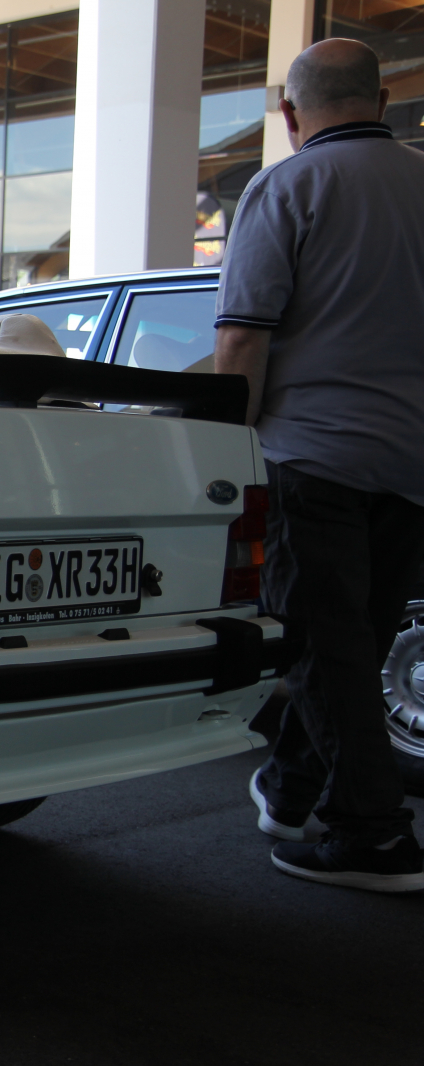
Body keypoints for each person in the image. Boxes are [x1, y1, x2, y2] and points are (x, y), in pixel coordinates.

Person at [215, 38, 424, 892]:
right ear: (382, 101)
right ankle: (292, 788)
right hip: (411, 464)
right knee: (354, 643)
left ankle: (371, 836)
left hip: (314, 457)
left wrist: (227, 444)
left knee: (316, 643)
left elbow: (241, 337)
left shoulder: (286, 185)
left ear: (292, 116)